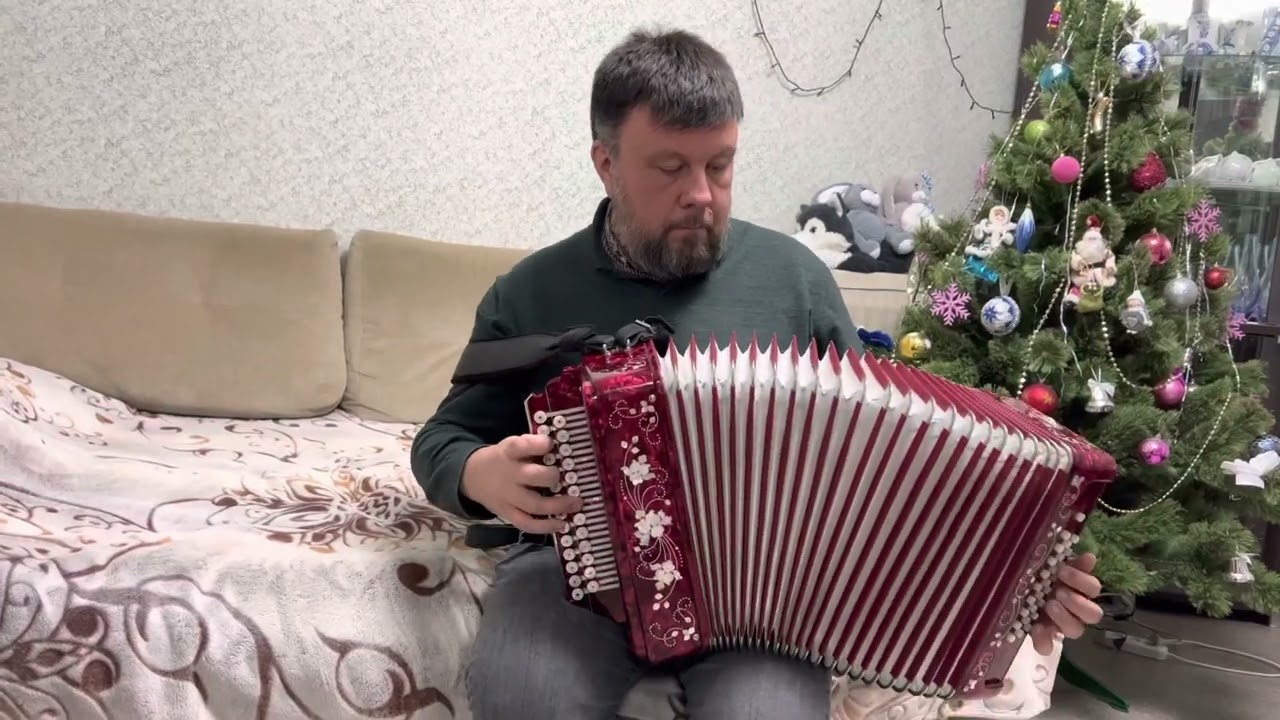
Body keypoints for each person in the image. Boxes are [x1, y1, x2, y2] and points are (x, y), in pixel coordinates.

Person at [411, 27, 1105, 720]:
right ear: (607, 164)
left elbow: (891, 458)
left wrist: (1023, 575)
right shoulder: (529, 291)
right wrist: (478, 473)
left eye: (719, 166)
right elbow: (442, 439)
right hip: (575, 578)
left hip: (767, 593)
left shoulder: (796, 280)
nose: (701, 194)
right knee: (526, 693)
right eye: (669, 167)